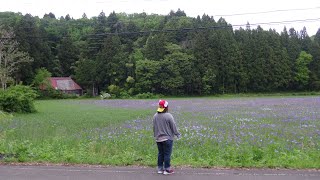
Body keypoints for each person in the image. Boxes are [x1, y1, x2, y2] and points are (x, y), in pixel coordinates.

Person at [153, 99, 180, 175]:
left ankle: (160, 169)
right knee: (167, 154)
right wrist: (177, 134)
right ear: (166, 107)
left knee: (160, 154)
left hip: (158, 139)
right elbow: (173, 126)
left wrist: (156, 136)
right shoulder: (168, 116)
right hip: (167, 139)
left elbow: (154, 127)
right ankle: (167, 169)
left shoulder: (155, 116)